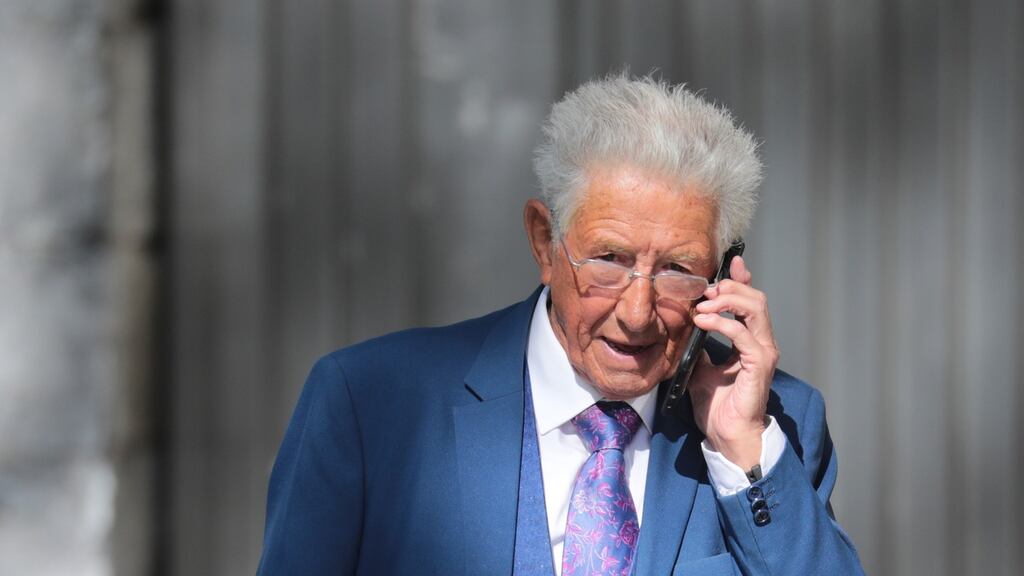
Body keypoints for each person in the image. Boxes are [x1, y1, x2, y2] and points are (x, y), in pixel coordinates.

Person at [256, 75, 864, 575]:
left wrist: (742, 448)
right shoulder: (368, 403)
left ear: (723, 278)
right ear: (546, 244)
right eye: (609, 260)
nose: (636, 312)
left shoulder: (776, 427)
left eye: (678, 269)